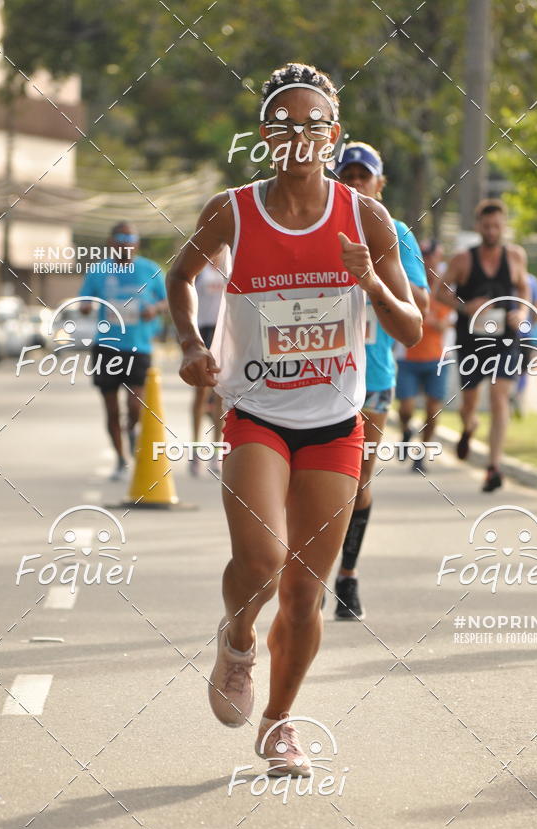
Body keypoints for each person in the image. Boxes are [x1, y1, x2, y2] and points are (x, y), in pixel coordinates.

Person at [166, 62, 422, 776]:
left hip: (336, 419)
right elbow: (180, 274)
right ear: (265, 137)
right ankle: (238, 635)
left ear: (333, 135)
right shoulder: (233, 210)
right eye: (285, 123)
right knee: (262, 560)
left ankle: (280, 723)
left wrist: (369, 277)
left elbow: (410, 326)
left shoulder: (366, 218)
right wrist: (191, 343)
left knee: (307, 590)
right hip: (257, 413)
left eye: (314, 124)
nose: (299, 134)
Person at [330, 141, 429, 620]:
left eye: (362, 177)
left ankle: (347, 575)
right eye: (345, 175)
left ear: (379, 184)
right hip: (319, 373)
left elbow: (422, 309)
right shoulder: (316, 224)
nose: (353, 184)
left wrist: (371, 281)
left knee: (357, 482)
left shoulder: (395, 231)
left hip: (373, 376)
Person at [434, 199, 529, 492]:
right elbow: (440, 291)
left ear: (503, 226)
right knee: (470, 403)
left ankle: (493, 467)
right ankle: (469, 427)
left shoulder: (515, 256)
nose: (492, 230)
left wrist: (521, 312)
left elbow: (524, 287)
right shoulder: (463, 259)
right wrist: (465, 306)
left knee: (500, 397)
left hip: (505, 339)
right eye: (486, 225)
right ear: (478, 227)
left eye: (497, 225)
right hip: (472, 341)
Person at [79, 223, 167, 479]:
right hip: (106, 346)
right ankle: (120, 459)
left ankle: (132, 435)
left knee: (135, 404)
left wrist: (156, 309)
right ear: (111, 242)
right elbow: (85, 299)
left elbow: (168, 299)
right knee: (111, 408)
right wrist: (86, 306)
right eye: (121, 239)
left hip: (139, 346)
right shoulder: (98, 271)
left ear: (137, 243)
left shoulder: (150, 270)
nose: (126, 244)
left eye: (131, 239)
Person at [397, 238, 450, 474]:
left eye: (433, 257)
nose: (429, 262)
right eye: (424, 257)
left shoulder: (447, 289)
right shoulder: (408, 282)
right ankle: (406, 430)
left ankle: (422, 454)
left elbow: (446, 322)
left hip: (437, 358)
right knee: (406, 408)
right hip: (408, 357)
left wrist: (433, 320)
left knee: (432, 409)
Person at [190, 250, 228, 476]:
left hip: (222, 333)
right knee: (201, 394)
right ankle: (195, 450)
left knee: (221, 395)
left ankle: (216, 452)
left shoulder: (228, 268)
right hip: (204, 331)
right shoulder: (200, 270)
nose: (216, 254)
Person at [511, 271, 537, 417]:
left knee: (513, 368)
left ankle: (515, 397)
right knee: (521, 369)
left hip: (514, 334)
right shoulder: (533, 280)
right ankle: (518, 395)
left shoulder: (528, 280)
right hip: (524, 334)